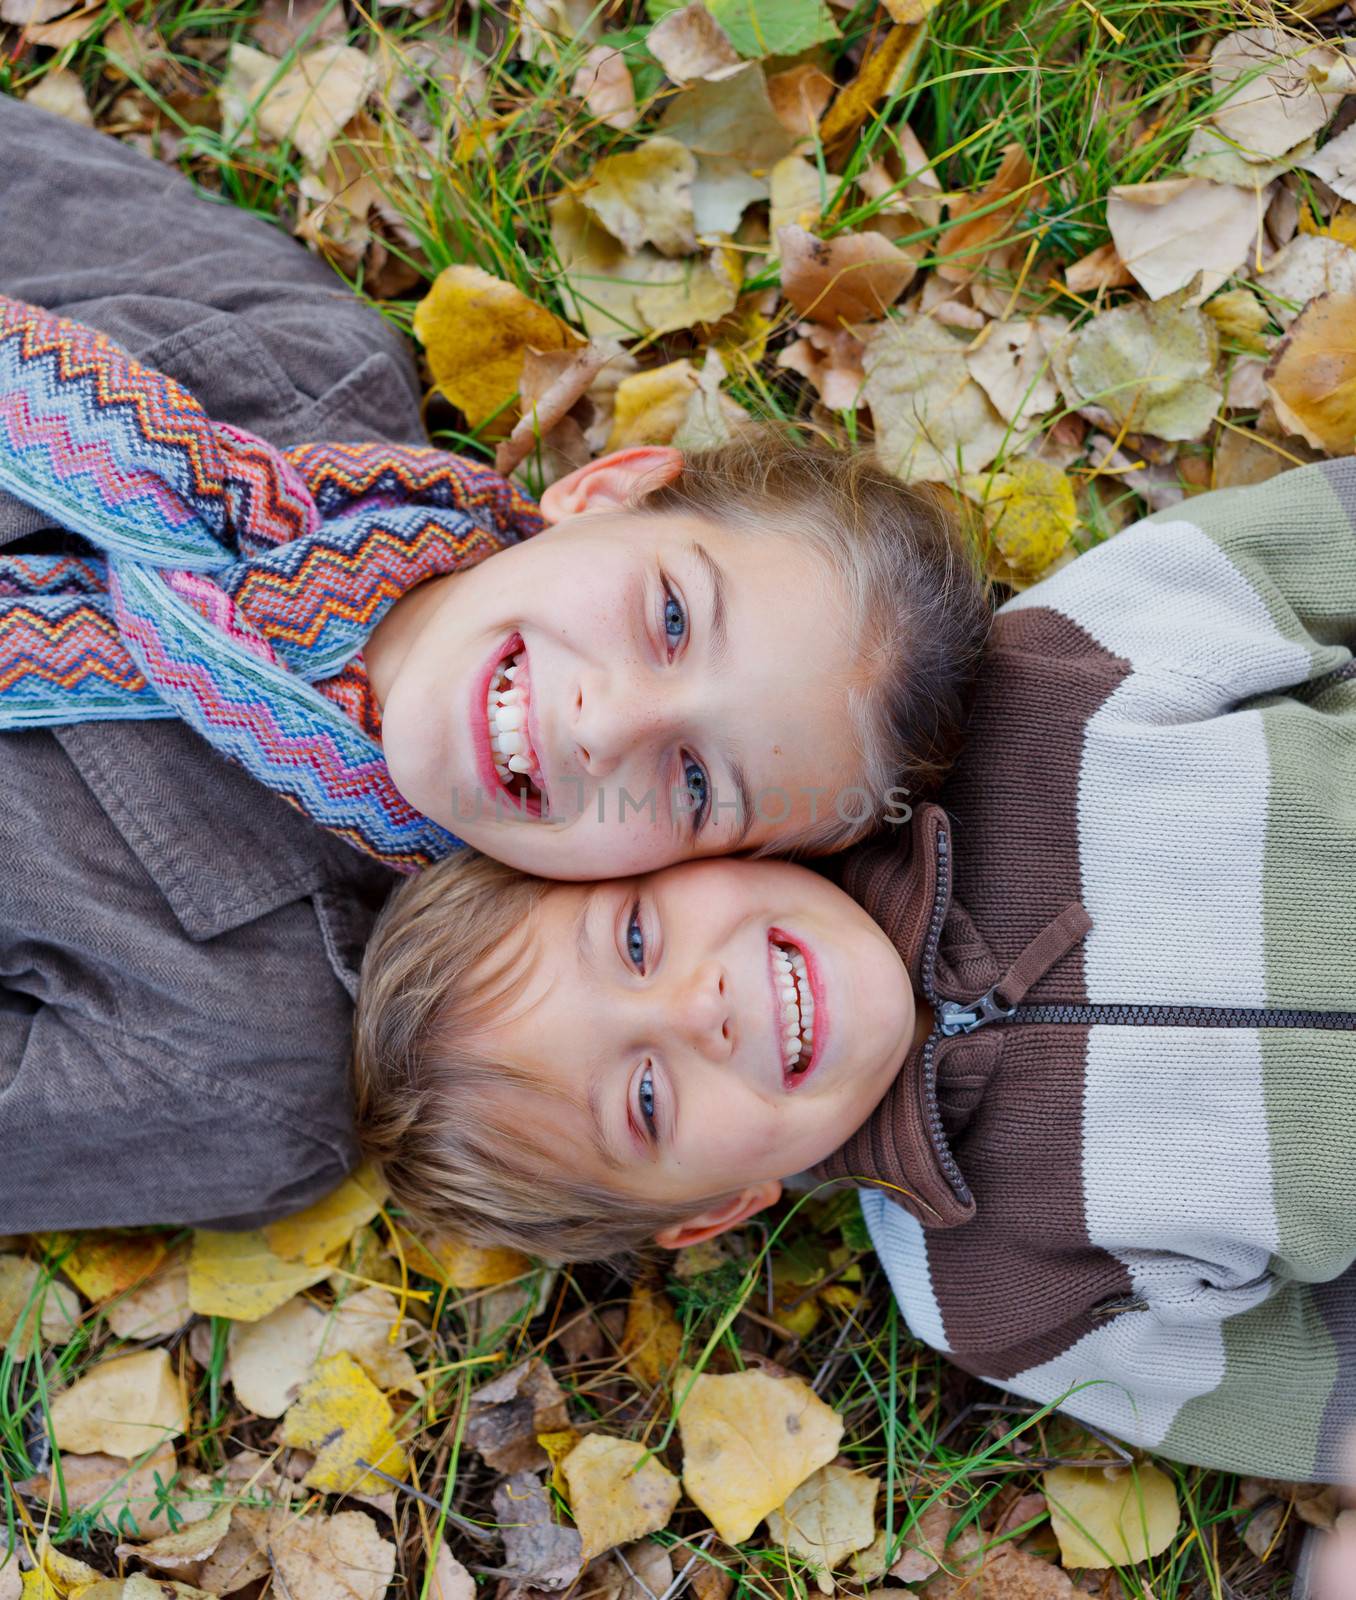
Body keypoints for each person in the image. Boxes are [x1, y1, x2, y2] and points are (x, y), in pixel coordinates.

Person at [0, 97, 988, 1230]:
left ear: (662, 867)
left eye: (697, 783)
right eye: (669, 616)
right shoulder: (291, 356)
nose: (605, 718)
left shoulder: (242, 1052)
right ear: (605, 490)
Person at [353, 457, 1356, 1484]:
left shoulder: (1053, 684)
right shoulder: (990, 1297)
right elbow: (1315, 1391)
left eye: (640, 942)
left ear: (678, 856)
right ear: (719, 1207)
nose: (701, 1008)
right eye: (647, 1097)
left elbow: (1324, 543)